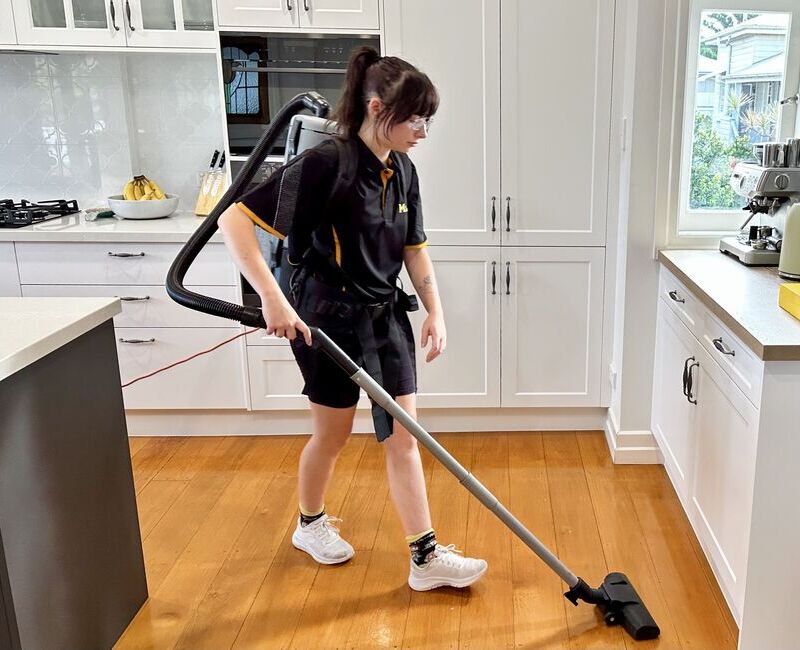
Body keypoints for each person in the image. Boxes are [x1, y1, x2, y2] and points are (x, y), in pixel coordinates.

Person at [218, 46, 487, 591]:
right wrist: (271, 298)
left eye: (427, 119)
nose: (423, 131)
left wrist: (435, 310)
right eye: (414, 119)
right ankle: (309, 524)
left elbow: (414, 247)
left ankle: (425, 557)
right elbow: (234, 220)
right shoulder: (324, 164)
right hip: (325, 319)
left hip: (384, 317)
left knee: (403, 436)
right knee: (333, 435)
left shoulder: (403, 169)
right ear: (375, 106)